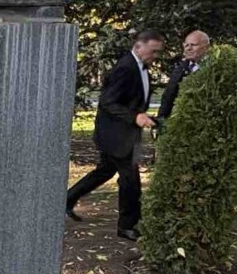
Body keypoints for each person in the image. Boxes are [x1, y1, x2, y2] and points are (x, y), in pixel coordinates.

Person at [66, 29, 165, 241]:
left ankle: (68, 198)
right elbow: (108, 102)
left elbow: (131, 100)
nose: (155, 56)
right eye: (153, 51)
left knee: (105, 171)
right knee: (130, 180)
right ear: (139, 46)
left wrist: (143, 116)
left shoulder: (141, 68)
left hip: (124, 133)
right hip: (116, 135)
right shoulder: (126, 67)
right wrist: (135, 117)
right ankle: (127, 226)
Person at [157, 31, 210, 123]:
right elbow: (168, 97)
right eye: (186, 45)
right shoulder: (179, 69)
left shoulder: (214, 69)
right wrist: (161, 120)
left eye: (193, 45)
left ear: (206, 47)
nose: (189, 48)